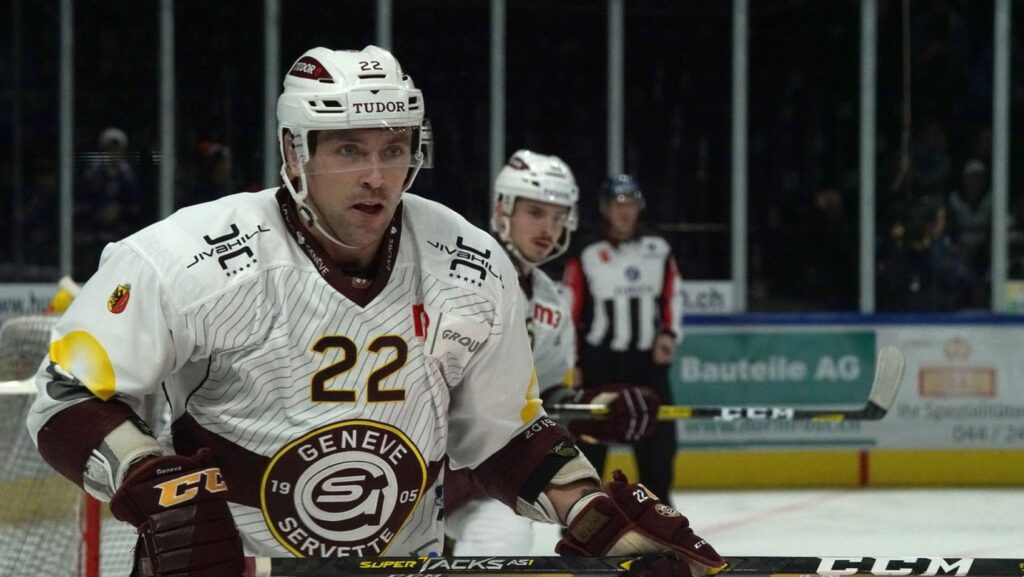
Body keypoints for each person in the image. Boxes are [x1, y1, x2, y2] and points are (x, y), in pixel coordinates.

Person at [26, 46, 723, 577]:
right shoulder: (183, 258)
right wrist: (159, 487)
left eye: (394, 149)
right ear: (293, 153)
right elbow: (63, 391)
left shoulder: (470, 263)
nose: (377, 175)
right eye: (350, 149)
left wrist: (596, 514)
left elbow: (505, 434)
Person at [562, 174, 684, 502]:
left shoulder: (658, 248)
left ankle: (659, 517)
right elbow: (569, 307)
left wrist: (669, 335)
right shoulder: (587, 250)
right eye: (618, 205)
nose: (624, 212)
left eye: (630, 204)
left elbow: (673, 295)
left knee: (659, 444)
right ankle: (582, 517)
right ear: (605, 209)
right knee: (589, 443)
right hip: (600, 360)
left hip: (647, 363)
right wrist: (572, 361)